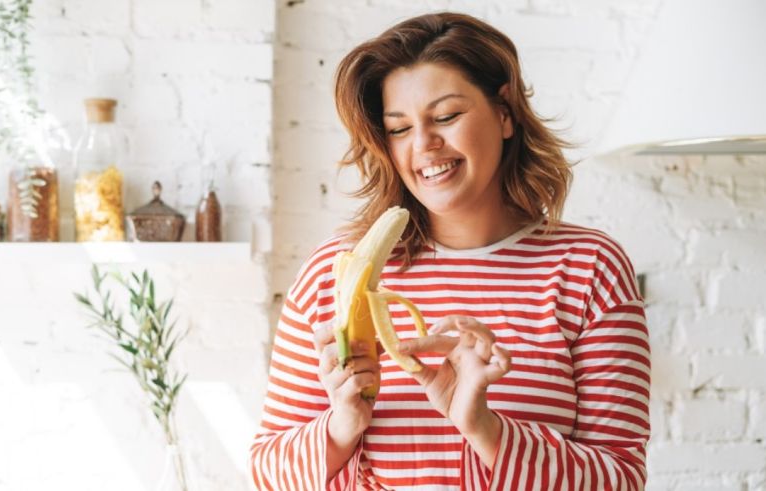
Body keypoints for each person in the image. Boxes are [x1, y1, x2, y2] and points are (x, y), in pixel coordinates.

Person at [250, 12, 650, 490]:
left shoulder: (589, 269)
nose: (424, 144)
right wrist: (341, 426)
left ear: (505, 112)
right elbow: (267, 472)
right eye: (399, 128)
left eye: (446, 116)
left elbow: (622, 479)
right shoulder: (333, 275)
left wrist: (486, 427)